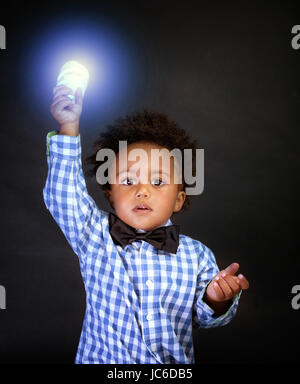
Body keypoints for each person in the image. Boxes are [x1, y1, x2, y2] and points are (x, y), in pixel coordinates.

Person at [43, 84, 249, 364]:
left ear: (178, 199)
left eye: (158, 182)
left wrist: (216, 299)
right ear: (110, 195)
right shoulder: (94, 235)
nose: (142, 191)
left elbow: (206, 319)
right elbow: (63, 195)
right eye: (128, 181)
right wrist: (68, 126)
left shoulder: (197, 256)